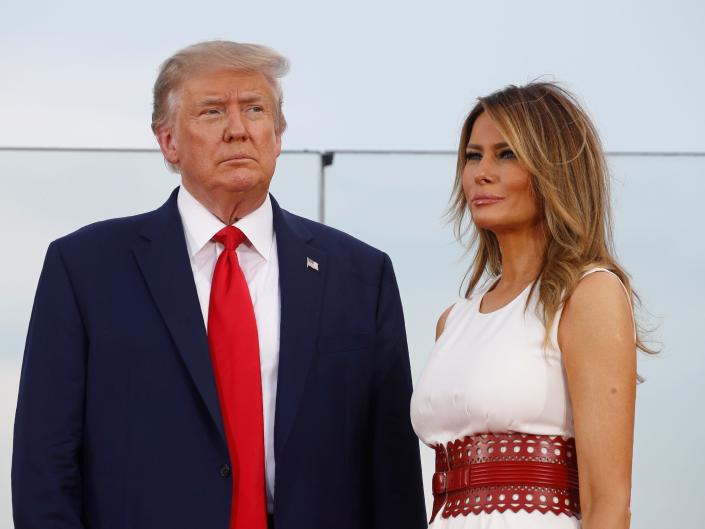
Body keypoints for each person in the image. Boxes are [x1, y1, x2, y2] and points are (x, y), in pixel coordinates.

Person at [12, 40, 426, 529]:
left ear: (277, 134)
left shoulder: (360, 275)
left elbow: (393, 470)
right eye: (212, 112)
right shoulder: (84, 267)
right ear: (168, 141)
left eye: (254, 109)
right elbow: (45, 460)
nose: (237, 130)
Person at [411, 82, 649, 529]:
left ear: (554, 169)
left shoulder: (589, 295)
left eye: (506, 154)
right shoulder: (453, 321)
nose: (481, 172)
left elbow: (609, 502)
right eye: (472, 155)